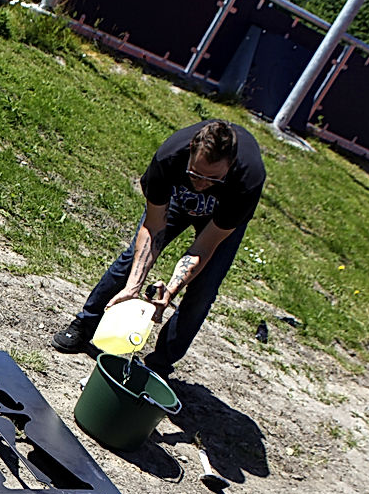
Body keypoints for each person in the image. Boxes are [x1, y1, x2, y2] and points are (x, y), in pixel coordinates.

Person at [51, 119, 266, 377]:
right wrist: (133, 287)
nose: (202, 183)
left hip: (220, 220)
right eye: (196, 174)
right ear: (190, 154)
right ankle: (85, 325)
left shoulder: (248, 180)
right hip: (177, 199)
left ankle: (159, 365)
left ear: (230, 167)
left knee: (204, 288)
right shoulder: (170, 157)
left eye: (213, 178)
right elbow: (152, 229)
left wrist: (170, 292)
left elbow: (204, 247)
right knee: (133, 259)